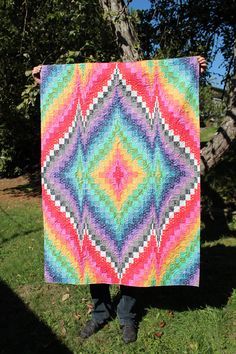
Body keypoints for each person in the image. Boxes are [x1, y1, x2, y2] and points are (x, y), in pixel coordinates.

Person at [33, 55, 207, 344]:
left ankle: (127, 314)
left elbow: (165, 95)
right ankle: (100, 311)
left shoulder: (139, 95)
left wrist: (190, 71)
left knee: (135, 247)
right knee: (91, 246)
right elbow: (67, 100)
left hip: (136, 185)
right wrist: (48, 78)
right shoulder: (91, 92)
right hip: (94, 185)